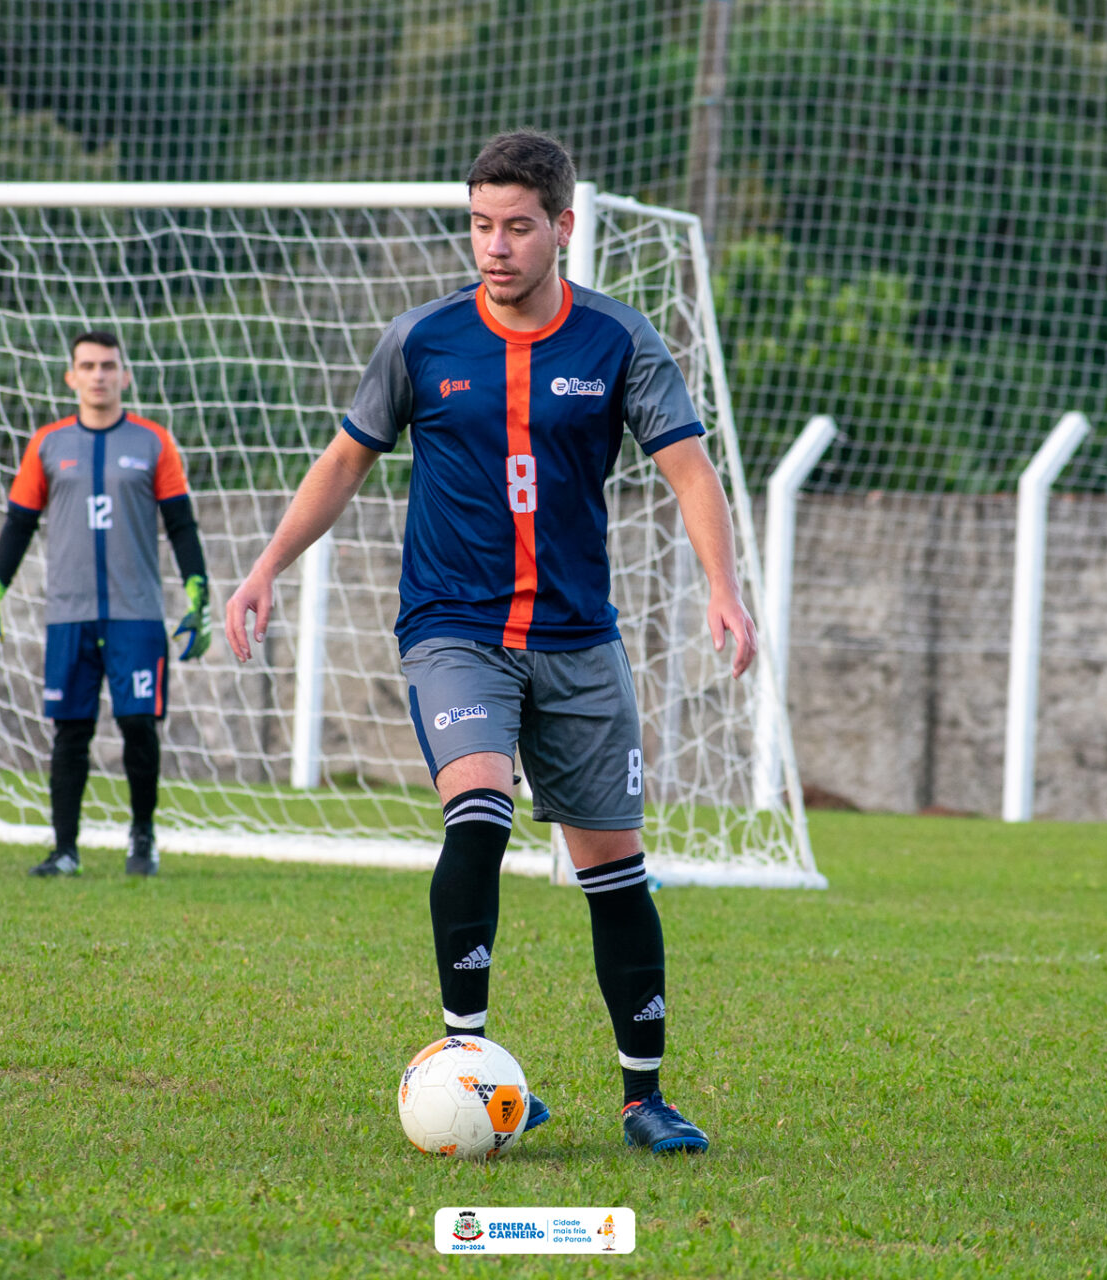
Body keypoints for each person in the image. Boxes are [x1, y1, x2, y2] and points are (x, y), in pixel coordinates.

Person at [223, 131, 756, 1154]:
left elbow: (689, 468)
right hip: (454, 626)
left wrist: (722, 590)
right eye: (480, 225)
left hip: (576, 636)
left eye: (517, 227)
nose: (495, 246)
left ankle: (645, 1096)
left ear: (564, 227)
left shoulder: (618, 341)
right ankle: (465, 1056)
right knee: (479, 807)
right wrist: (263, 569)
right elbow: (343, 461)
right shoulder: (422, 340)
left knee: (615, 870)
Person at [0, 330, 213, 877]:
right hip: (69, 613)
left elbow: (181, 525)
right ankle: (65, 849)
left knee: (137, 724)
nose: (99, 375)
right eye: (88, 365)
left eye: (109, 365)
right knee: (71, 731)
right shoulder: (48, 444)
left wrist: (198, 591)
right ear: (72, 376)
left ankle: (143, 838)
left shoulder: (154, 442)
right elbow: (17, 525)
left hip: (137, 615)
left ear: (124, 375)